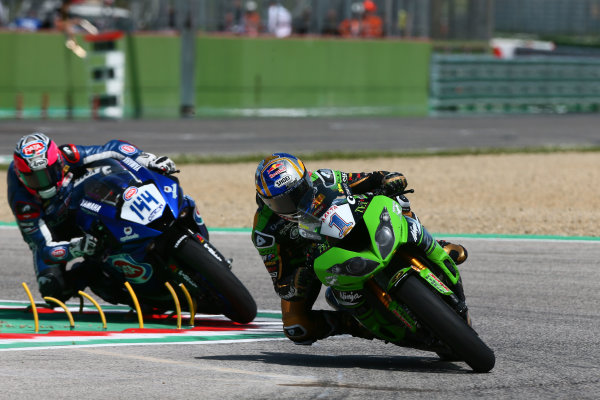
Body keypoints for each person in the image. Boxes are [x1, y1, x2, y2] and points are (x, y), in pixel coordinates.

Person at [252, 153, 469, 345]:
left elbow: (369, 179)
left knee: (398, 200)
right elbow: (281, 284)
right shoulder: (265, 232)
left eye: (298, 192)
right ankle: (356, 324)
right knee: (296, 327)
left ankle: (430, 247)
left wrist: (389, 178)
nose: (294, 203)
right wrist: (297, 280)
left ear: (306, 178)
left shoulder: (325, 178)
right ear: (265, 202)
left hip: (346, 223)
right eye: (282, 202)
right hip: (312, 263)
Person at [7, 133, 208, 305]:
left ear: (58, 162)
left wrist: (146, 159)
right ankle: (95, 272)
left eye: (47, 174)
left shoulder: (66, 154)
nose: (43, 183)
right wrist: (76, 248)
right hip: (56, 227)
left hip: (80, 202)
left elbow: (113, 148)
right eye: (34, 178)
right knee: (52, 288)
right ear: (21, 175)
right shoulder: (23, 201)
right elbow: (44, 248)